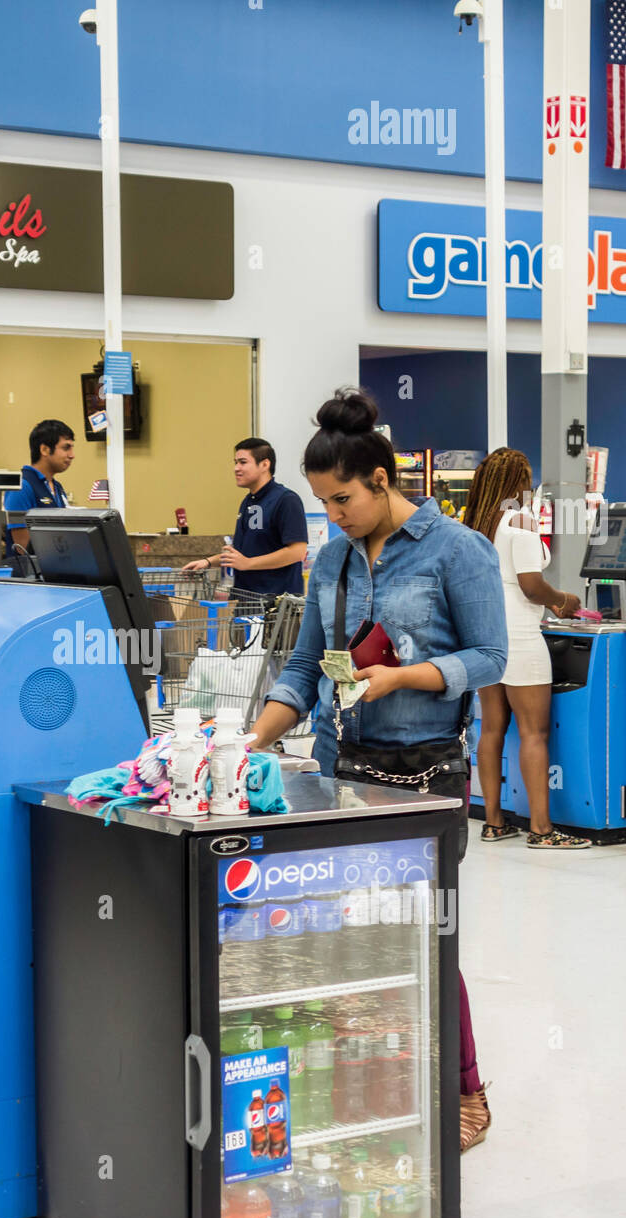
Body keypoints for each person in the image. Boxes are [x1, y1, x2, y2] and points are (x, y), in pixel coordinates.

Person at [249, 388, 508, 1153]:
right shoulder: (329, 559)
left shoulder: (456, 551)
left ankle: (465, 1088)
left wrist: (404, 677)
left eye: (343, 500)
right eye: (324, 503)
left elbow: (489, 657)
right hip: (341, 771)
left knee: (423, 933)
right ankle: (376, 1076)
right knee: (341, 934)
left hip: (422, 775)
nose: (334, 516)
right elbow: (302, 669)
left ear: (382, 479)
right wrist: (251, 741)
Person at [463, 448, 591, 849]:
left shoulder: (477, 525)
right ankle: (541, 828)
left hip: (486, 640)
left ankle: (494, 822)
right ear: (518, 482)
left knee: (493, 731)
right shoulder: (521, 519)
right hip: (520, 638)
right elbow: (531, 585)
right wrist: (564, 599)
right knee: (534, 733)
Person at [183, 437, 308, 596]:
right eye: (235, 462)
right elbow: (242, 553)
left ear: (264, 464)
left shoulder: (286, 500)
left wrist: (249, 564)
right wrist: (208, 562)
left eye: (243, 462)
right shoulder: (248, 502)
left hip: (274, 604)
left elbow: (297, 552)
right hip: (246, 599)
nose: (236, 468)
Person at [4, 419, 74, 560]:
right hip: (29, 575)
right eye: (66, 448)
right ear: (44, 450)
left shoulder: (57, 487)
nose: (72, 455)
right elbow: (22, 547)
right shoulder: (22, 485)